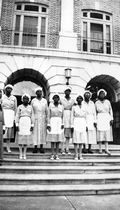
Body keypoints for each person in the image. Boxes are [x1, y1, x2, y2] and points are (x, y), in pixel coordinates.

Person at [15, 93, 34, 159]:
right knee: (21, 138)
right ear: (22, 99)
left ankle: (24, 153)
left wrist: (32, 125)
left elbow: (32, 116)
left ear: (29, 100)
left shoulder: (30, 107)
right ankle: (20, 153)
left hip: (28, 122)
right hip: (21, 122)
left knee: (26, 139)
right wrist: (17, 124)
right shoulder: (19, 107)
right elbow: (17, 116)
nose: (25, 100)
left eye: (27, 99)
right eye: (24, 99)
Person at [95, 89, 113, 155]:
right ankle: (100, 149)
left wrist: (111, 119)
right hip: (100, 117)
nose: (102, 95)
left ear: (105, 95)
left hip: (106, 117)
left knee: (106, 134)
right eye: (100, 94)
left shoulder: (107, 102)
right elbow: (95, 112)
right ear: (99, 95)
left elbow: (110, 110)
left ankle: (106, 149)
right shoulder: (96, 103)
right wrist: (95, 121)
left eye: (103, 94)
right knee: (100, 134)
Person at [47, 93, 64, 160]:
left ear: (59, 99)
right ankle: (52, 153)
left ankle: (56, 154)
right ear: (53, 99)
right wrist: (48, 124)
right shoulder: (50, 106)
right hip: (52, 121)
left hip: (59, 122)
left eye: (57, 98)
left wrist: (63, 124)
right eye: (54, 98)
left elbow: (63, 116)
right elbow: (48, 115)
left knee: (57, 139)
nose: (56, 99)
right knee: (52, 139)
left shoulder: (61, 106)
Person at [31, 87, 48, 153]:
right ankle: (35, 147)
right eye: (38, 91)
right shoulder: (33, 101)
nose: (39, 93)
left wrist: (47, 120)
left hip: (43, 118)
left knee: (42, 132)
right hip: (35, 117)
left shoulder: (44, 100)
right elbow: (31, 111)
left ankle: (41, 147)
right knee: (35, 132)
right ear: (36, 93)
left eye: (40, 91)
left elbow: (47, 111)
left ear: (42, 92)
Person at [1, 84, 17, 153]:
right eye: (8, 88)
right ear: (5, 89)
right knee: (2, 131)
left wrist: (14, 118)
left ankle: (8, 147)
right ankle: (1, 147)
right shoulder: (2, 97)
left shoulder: (14, 98)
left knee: (9, 133)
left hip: (11, 114)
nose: (9, 90)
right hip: (4, 114)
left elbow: (15, 108)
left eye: (10, 89)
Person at [71, 95, 87, 160]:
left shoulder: (84, 107)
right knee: (76, 139)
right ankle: (76, 154)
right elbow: (72, 116)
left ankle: (80, 154)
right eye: (78, 98)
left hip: (82, 122)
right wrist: (72, 125)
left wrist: (86, 125)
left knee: (81, 139)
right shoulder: (74, 107)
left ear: (82, 100)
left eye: (81, 98)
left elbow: (86, 117)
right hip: (76, 121)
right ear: (76, 100)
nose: (79, 99)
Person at [60, 86, 75, 155]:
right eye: (66, 91)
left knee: (68, 135)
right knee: (63, 134)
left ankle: (67, 148)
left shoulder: (72, 100)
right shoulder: (61, 100)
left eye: (69, 91)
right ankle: (62, 149)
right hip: (63, 116)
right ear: (64, 92)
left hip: (70, 116)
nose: (67, 92)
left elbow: (74, 108)